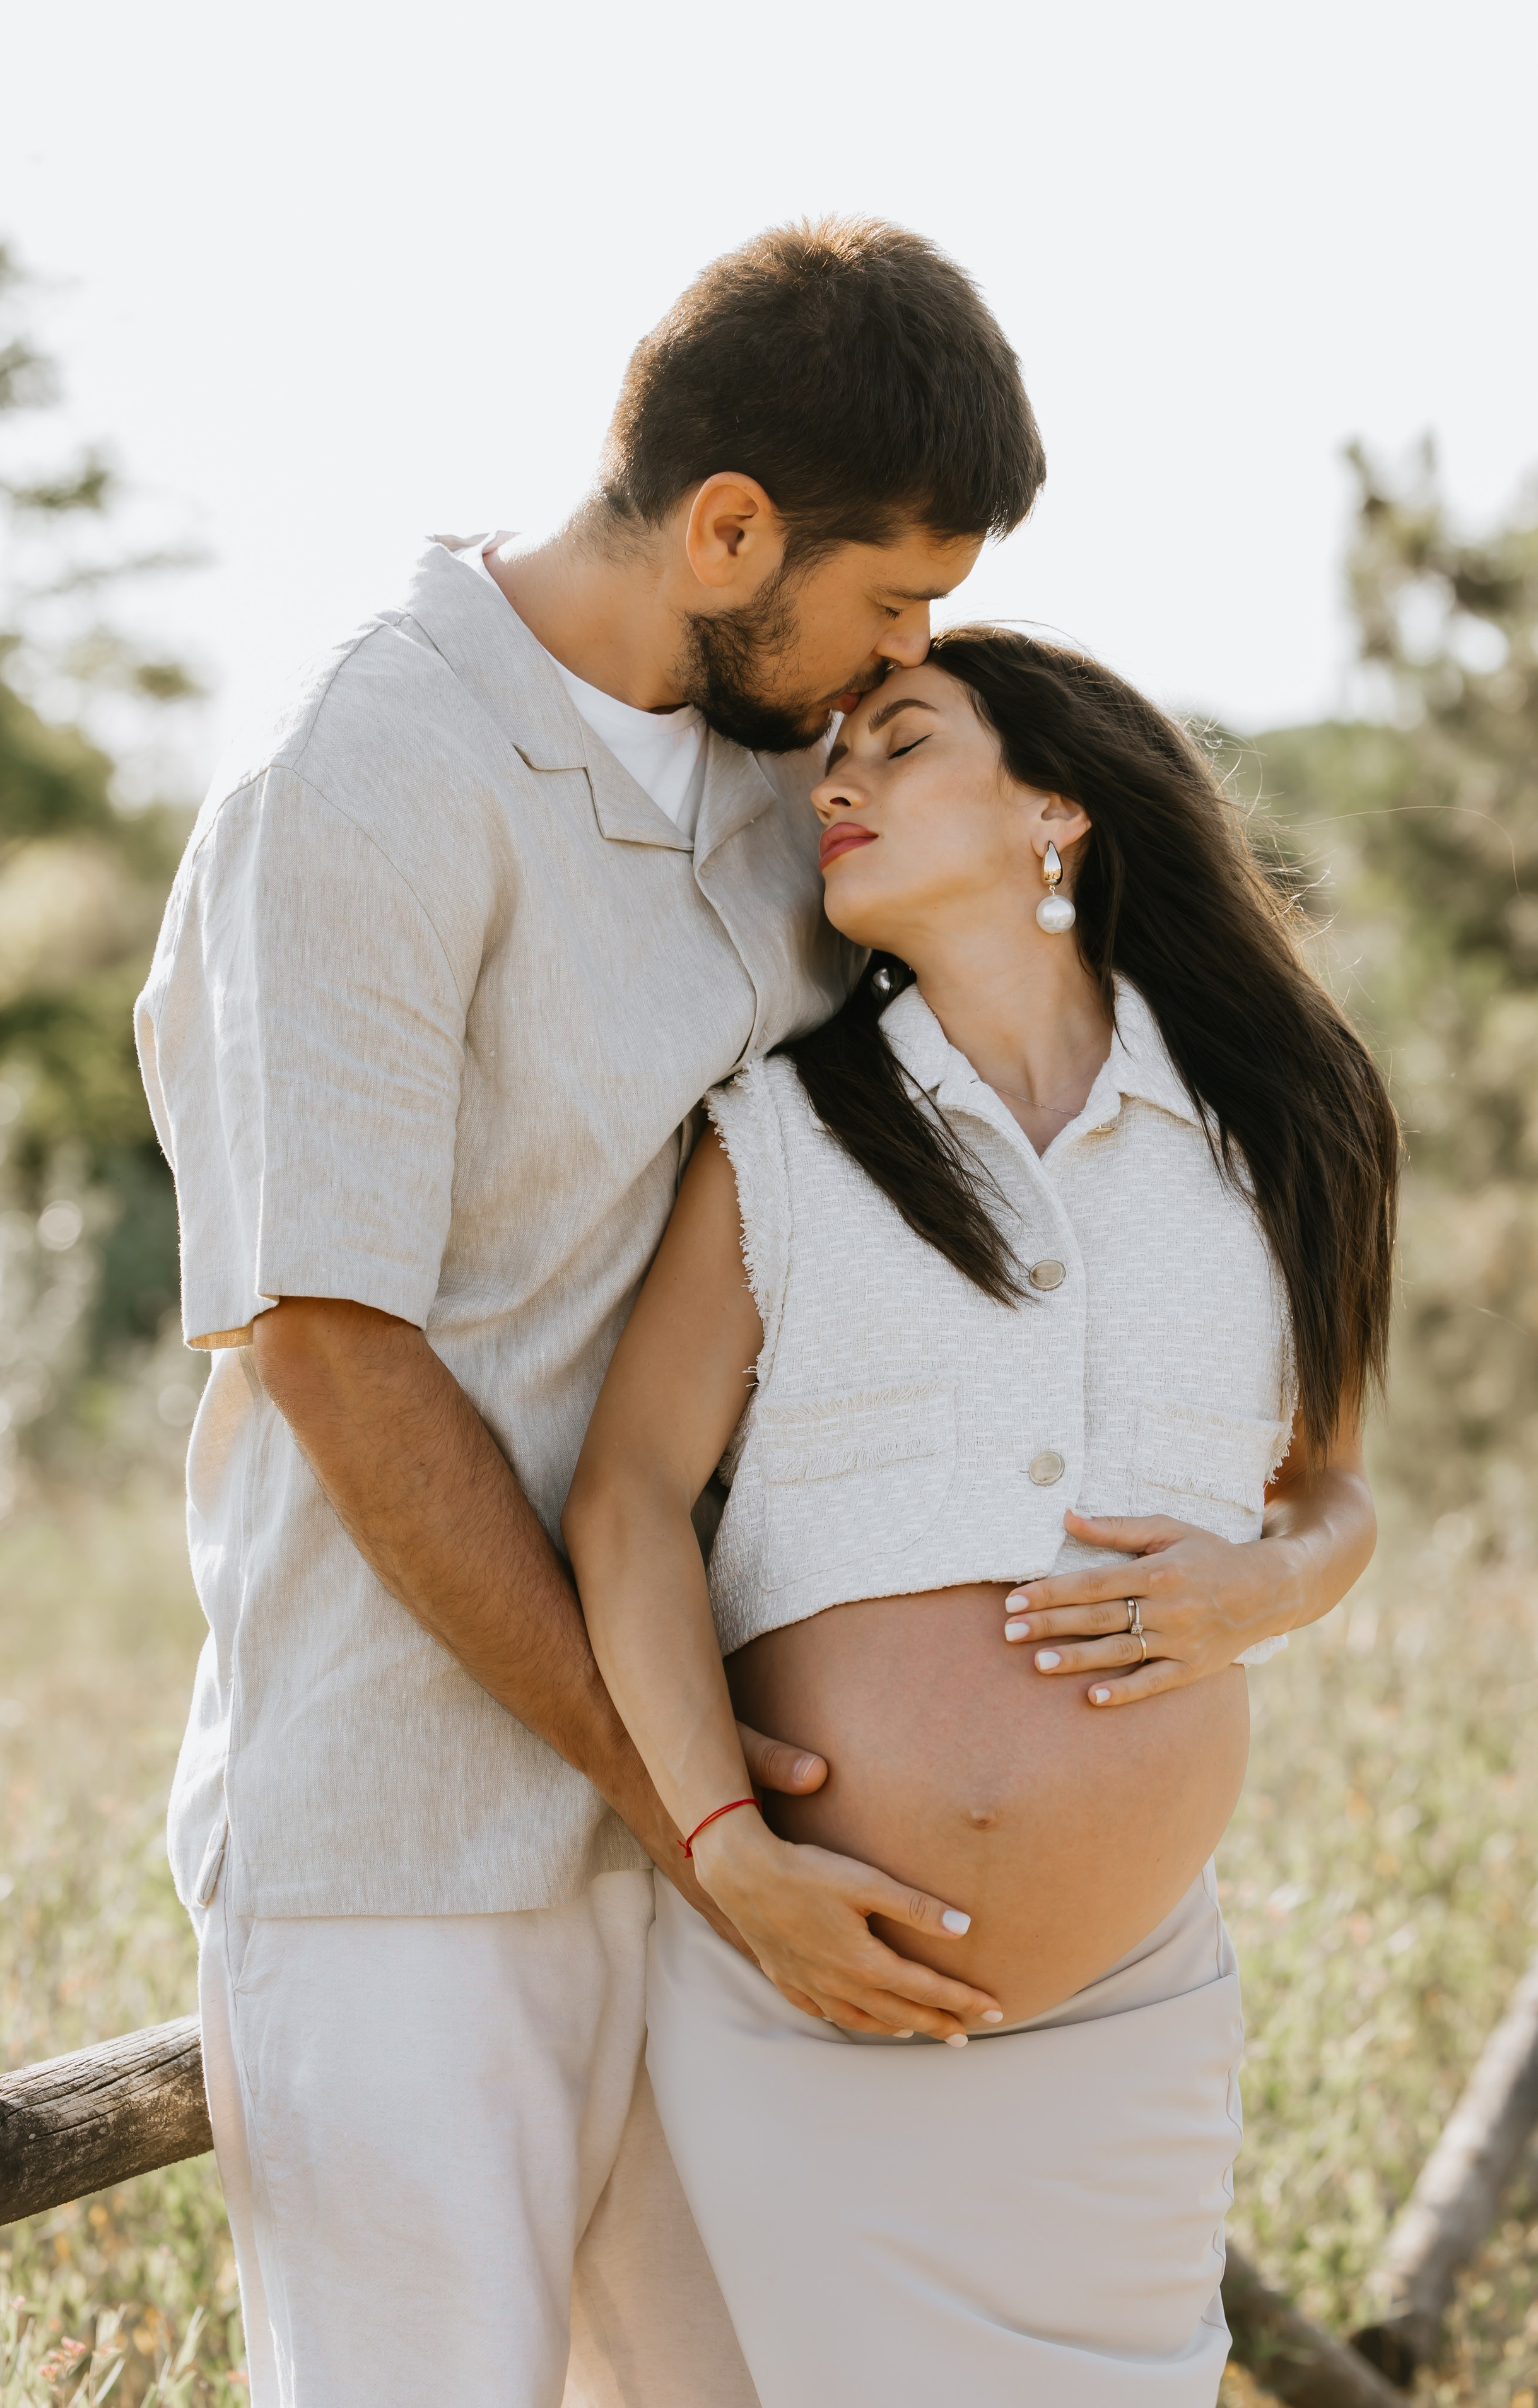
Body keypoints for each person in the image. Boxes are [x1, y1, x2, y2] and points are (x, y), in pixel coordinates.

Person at [133, 218, 1048, 2408]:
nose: (906, 653)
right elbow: (333, 1352)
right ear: (728, 528)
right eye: (892, 599)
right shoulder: (359, 775)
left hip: (725, 1826)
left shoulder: (789, 781)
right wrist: (693, 1816)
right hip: (414, 1856)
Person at [565, 626, 1399, 2405]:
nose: (840, 785)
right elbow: (625, 1497)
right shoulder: (781, 1136)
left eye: (906, 740)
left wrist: (1266, 1590)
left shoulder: (1280, 1127)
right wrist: (724, 1846)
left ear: (1057, 812)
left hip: (1128, 2023)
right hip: (802, 2002)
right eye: (834, 762)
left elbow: (1331, 1489)